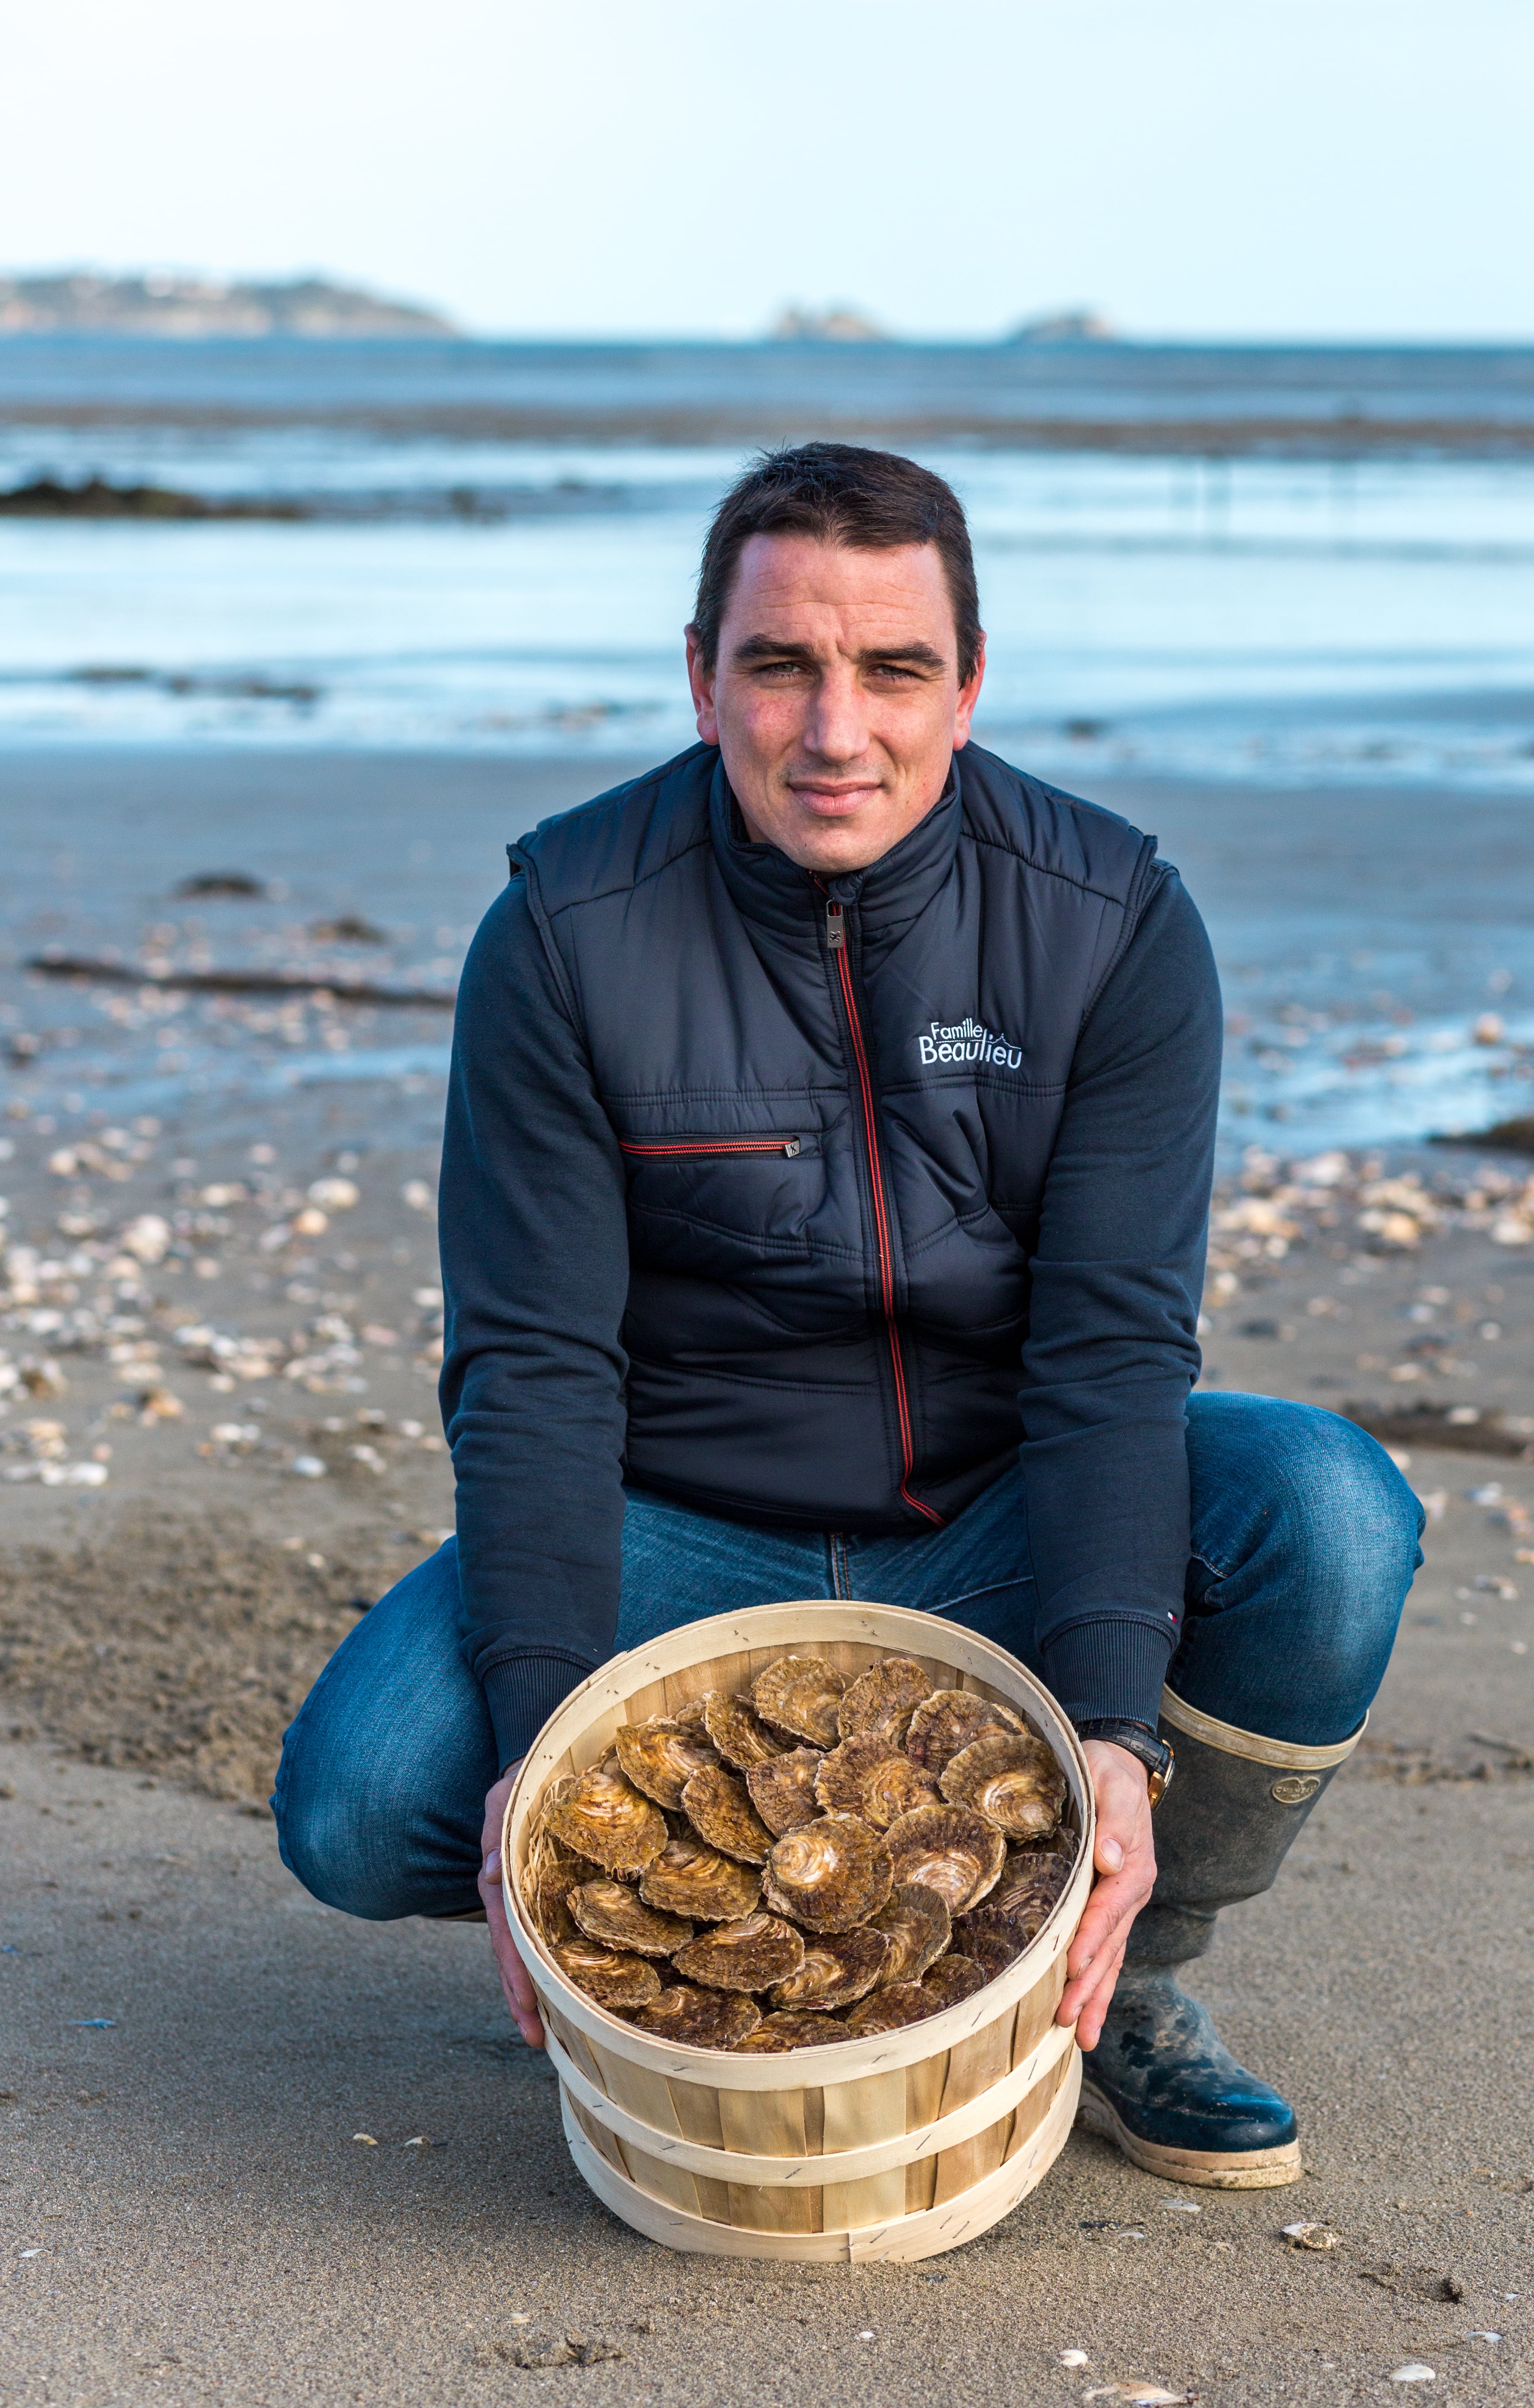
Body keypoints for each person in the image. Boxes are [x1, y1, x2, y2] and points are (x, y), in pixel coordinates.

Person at [274, 442, 1422, 2189]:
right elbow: (533, 1366)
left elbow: (1112, 1352)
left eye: (891, 669)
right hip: (681, 1533)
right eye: (779, 665)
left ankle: (1121, 1975)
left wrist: (1115, 1733)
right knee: (363, 1806)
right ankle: (688, 1959)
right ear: (698, 674)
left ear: (968, 683)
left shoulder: (1111, 922)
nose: (835, 731)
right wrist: (547, 1748)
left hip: (993, 1521)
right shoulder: (564, 931)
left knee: (1329, 1513)